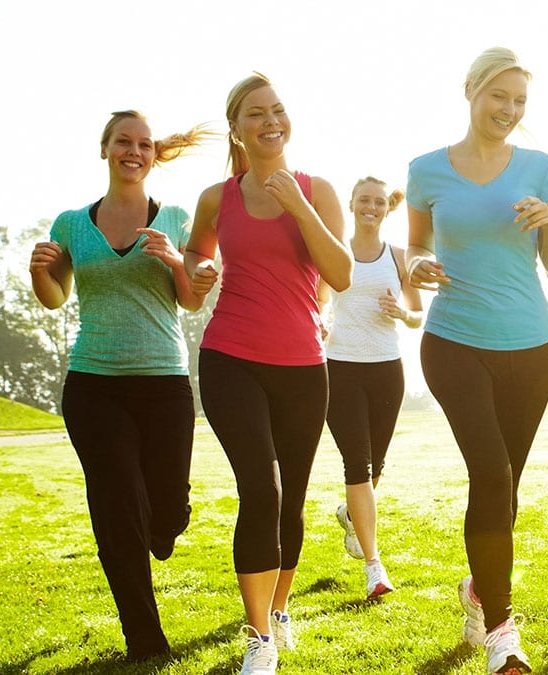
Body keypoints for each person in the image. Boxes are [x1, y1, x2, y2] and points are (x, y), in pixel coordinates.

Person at [405, 47, 548, 675]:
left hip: (530, 348)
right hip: (454, 343)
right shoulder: (425, 170)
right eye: (498, 95)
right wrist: (417, 265)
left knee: (504, 489)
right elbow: (416, 247)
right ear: (471, 91)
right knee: (494, 475)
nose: (508, 109)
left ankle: (477, 590)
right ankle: (503, 630)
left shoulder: (538, 166)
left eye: (519, 101)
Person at [183, 73, 353, 675]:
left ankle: (279, 610)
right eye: (255, 113)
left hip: (303, 365)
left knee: (292, 498)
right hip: (229, 355)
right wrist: (198, 272)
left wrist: (299, 207)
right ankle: (258, 639)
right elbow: (196, 255)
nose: (269, 121)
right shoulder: (216, 197)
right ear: (237, 128)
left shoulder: (318, 189)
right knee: (260, 488)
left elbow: (340, 273)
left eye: (277, 110)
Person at [29, 110, 210, 663]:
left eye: (145, 144)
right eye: (123, 142)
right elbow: (55, 298)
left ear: (155, 155)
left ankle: (164, 526)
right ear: (105, 149)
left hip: (164, 383)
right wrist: (39, 271)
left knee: (168, 511)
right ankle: (145, 639)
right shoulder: (71, 224)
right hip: (94, 385)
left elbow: (191, 299)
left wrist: (182, 262)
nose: (134, 151)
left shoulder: (176, 218)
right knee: (117, 506)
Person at [322, 176, 422, 600]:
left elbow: (418, 315)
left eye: (379, 202)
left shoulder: (398, 258)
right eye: (364, 200)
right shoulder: (334, 252)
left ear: (387, 208)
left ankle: (350, 513)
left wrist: (401, 311)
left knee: (374, 467)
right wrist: (320, 320)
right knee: (357, 466)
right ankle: (373, 567)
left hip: (386, 370)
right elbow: (317, 299)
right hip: (339, 368)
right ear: (351, 204)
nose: (371, 207)